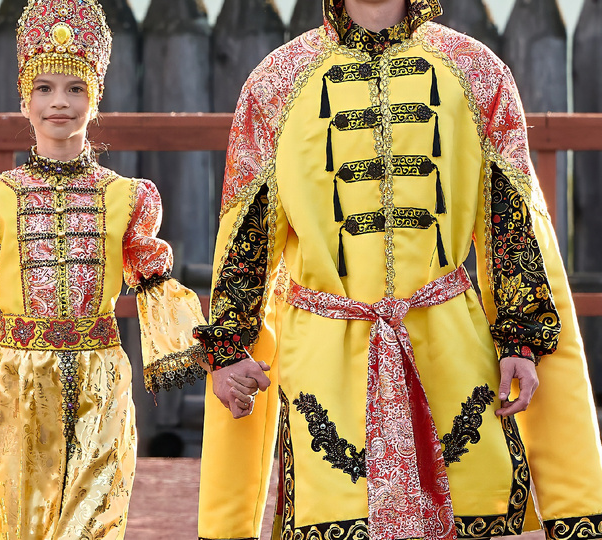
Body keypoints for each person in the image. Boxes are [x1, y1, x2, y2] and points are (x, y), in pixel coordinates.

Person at [194, 1, 602, 539]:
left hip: (451, 354)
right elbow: (244, 244)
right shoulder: (274, 84)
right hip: (327, 363)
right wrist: (228, 349)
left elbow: (515, 227)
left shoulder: (477, 72)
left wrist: (521, 343)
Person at [0, 0, 208, 537]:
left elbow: (160, 290)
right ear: (24, 97)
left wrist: (219, 360)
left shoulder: (127, 198)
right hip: (18, 383)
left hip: (102, 384)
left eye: (75, 88)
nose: (59, 103)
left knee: (93, 524)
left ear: (96, 97)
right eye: (45, 88)